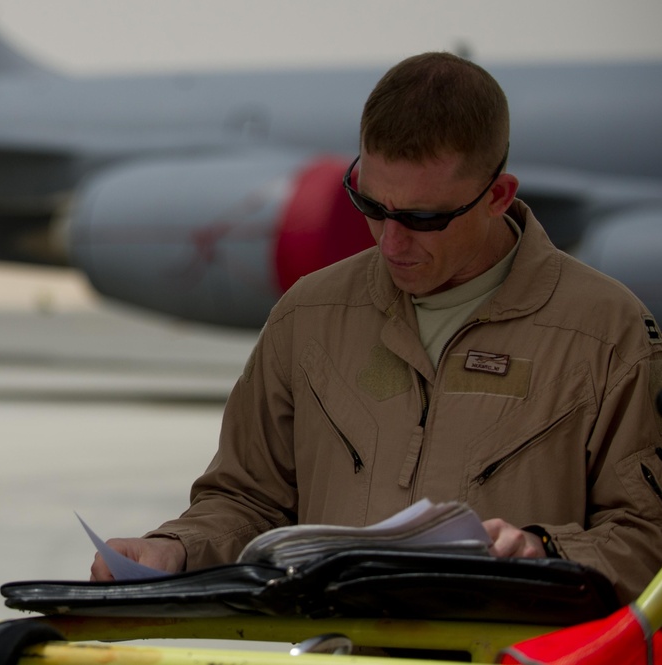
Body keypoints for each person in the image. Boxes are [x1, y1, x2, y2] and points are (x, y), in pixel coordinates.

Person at [91, 52, 662, 604]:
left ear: (498, 196)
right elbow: (249, 500)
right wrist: (174, 548)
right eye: (369, 205)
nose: (390, 242)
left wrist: (546, 552)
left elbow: (645, 536)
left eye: (423, 218)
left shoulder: (608, 334)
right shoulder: (307, 317)